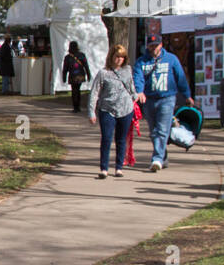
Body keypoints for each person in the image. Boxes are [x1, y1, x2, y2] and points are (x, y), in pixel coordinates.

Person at [133, 30, 194, 171]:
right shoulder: (141, 61)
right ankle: (163, 157)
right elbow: (138, 77)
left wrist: (187, 95)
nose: (153, 48)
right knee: (154, 131)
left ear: (161, 45)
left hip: (167, 99)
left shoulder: (171, 59)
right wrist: (140, 91)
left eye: (156, 45)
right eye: (151, 46)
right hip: (149, 100)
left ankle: (157, 159)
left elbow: (180, 78)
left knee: (161, 130)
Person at [88, 43, 138, 178]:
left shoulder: (128, 70)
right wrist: (91, 111)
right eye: (117, 57)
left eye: (122, 57)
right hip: (107, 109)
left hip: (126, 109)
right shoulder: (103, 73)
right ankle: (104, 168)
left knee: (121, 139)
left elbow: (132, 88)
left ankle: (119, 167)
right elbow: (94, 92)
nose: (119, 59)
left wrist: (136, 99)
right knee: (106, 138)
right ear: (111, 57)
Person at [62, 40, 91, 113]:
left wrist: (64, 77)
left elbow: (65, 68)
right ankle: (78, 106)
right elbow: (86, 66)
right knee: (78, 90)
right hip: (80, 75)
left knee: (74, 91)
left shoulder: (67, 57)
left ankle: (76, 107)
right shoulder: (82, 55)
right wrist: (88, 75)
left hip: (72, 76)